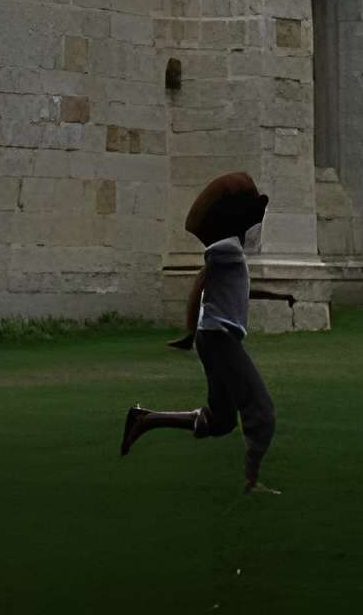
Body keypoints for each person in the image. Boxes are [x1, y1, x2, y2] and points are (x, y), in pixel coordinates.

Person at [119, 171, 280, 495]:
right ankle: (252, 482)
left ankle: (144, 419)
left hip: (217, 336)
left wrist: (280, 297)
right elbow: (200, 284)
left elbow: (238, 290)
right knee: (260, 410)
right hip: (218, 337)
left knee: (220, 421)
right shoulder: (226, 251)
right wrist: (190, 331)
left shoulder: (232, 250)